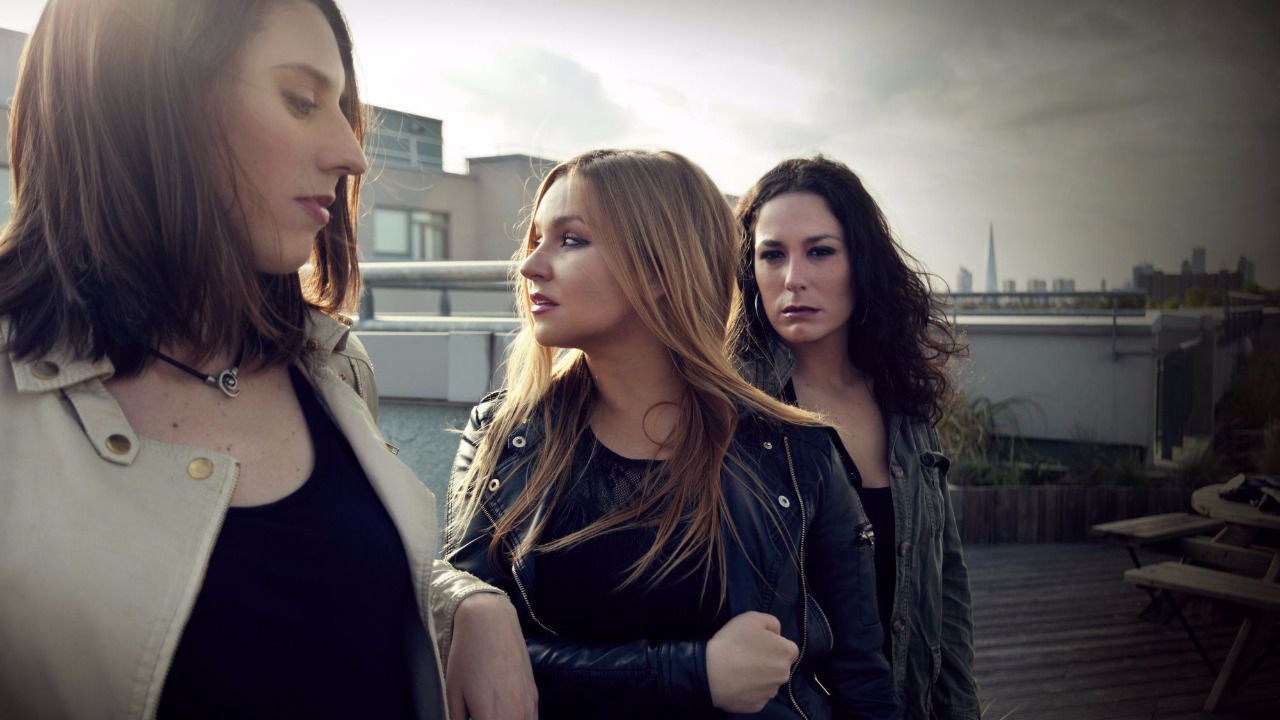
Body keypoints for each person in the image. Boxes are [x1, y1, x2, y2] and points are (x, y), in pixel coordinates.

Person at [0, 1, 535, 718]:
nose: (352, 155)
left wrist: (465, 603)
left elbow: (317, 584)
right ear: (143, 101)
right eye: (300, 99)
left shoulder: (330, 363)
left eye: (342, 110)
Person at [445, 149, 899, 719]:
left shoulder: (794, 451)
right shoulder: (502, 439)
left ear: (660, 270)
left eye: (570, 240)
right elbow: (464, 656)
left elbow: (863, 683)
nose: (530, 266)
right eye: (536, 239)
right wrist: (692, 673)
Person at [728, 156, 980, 720]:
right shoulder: (736, 413)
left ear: (861, 262)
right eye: (773, 254)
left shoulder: (903, 405)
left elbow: (946, 585)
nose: (793, 278)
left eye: (820, 251)